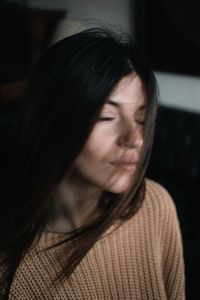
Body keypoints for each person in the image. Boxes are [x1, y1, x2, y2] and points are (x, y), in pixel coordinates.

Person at [0, 27, 185, 299]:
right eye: (107, 117)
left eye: (141, 119)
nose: (134, 138)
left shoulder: (156, 205)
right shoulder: (10, 270)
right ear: (53, 123)